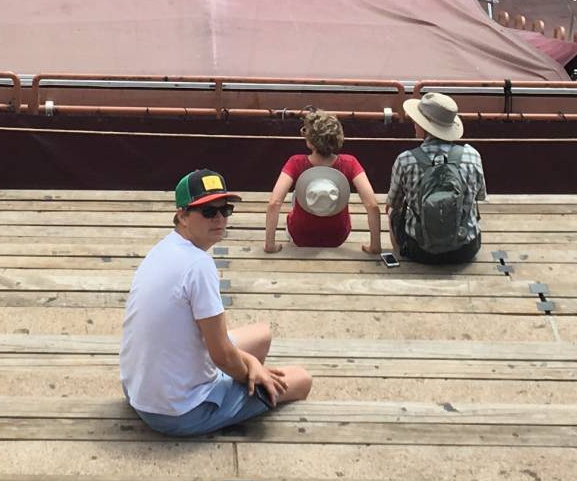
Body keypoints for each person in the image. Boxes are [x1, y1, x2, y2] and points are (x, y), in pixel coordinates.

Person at [121, 169, 314, 436]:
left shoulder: (164, 248)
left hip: (137, 389)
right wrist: (251, 372)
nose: (220, 219)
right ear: (182, 216)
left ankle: (239, 392)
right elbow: (221, 355)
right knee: (301, 380)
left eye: (225, 210)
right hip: (178, 412)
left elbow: (217, 346)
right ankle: (235, 400)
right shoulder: (198, 265)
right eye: (208, 212)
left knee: (261, 335)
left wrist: (251, 364)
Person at [387, 90, 487, 269]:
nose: (414, 124)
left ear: (424, 127)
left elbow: (393, 203)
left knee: (391, 212)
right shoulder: (473, 155)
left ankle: (399, 258)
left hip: (420, 251)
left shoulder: (405, 159)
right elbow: (479, 196)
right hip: (465, 248)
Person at [263, 110, 385, 255]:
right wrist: (375, 247)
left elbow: (274, 203)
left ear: (310, 140)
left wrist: (270, 246)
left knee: (297, 193)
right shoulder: (350, 163)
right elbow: (372, 205)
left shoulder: (295, 162)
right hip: (337, 235)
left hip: (301, 234)